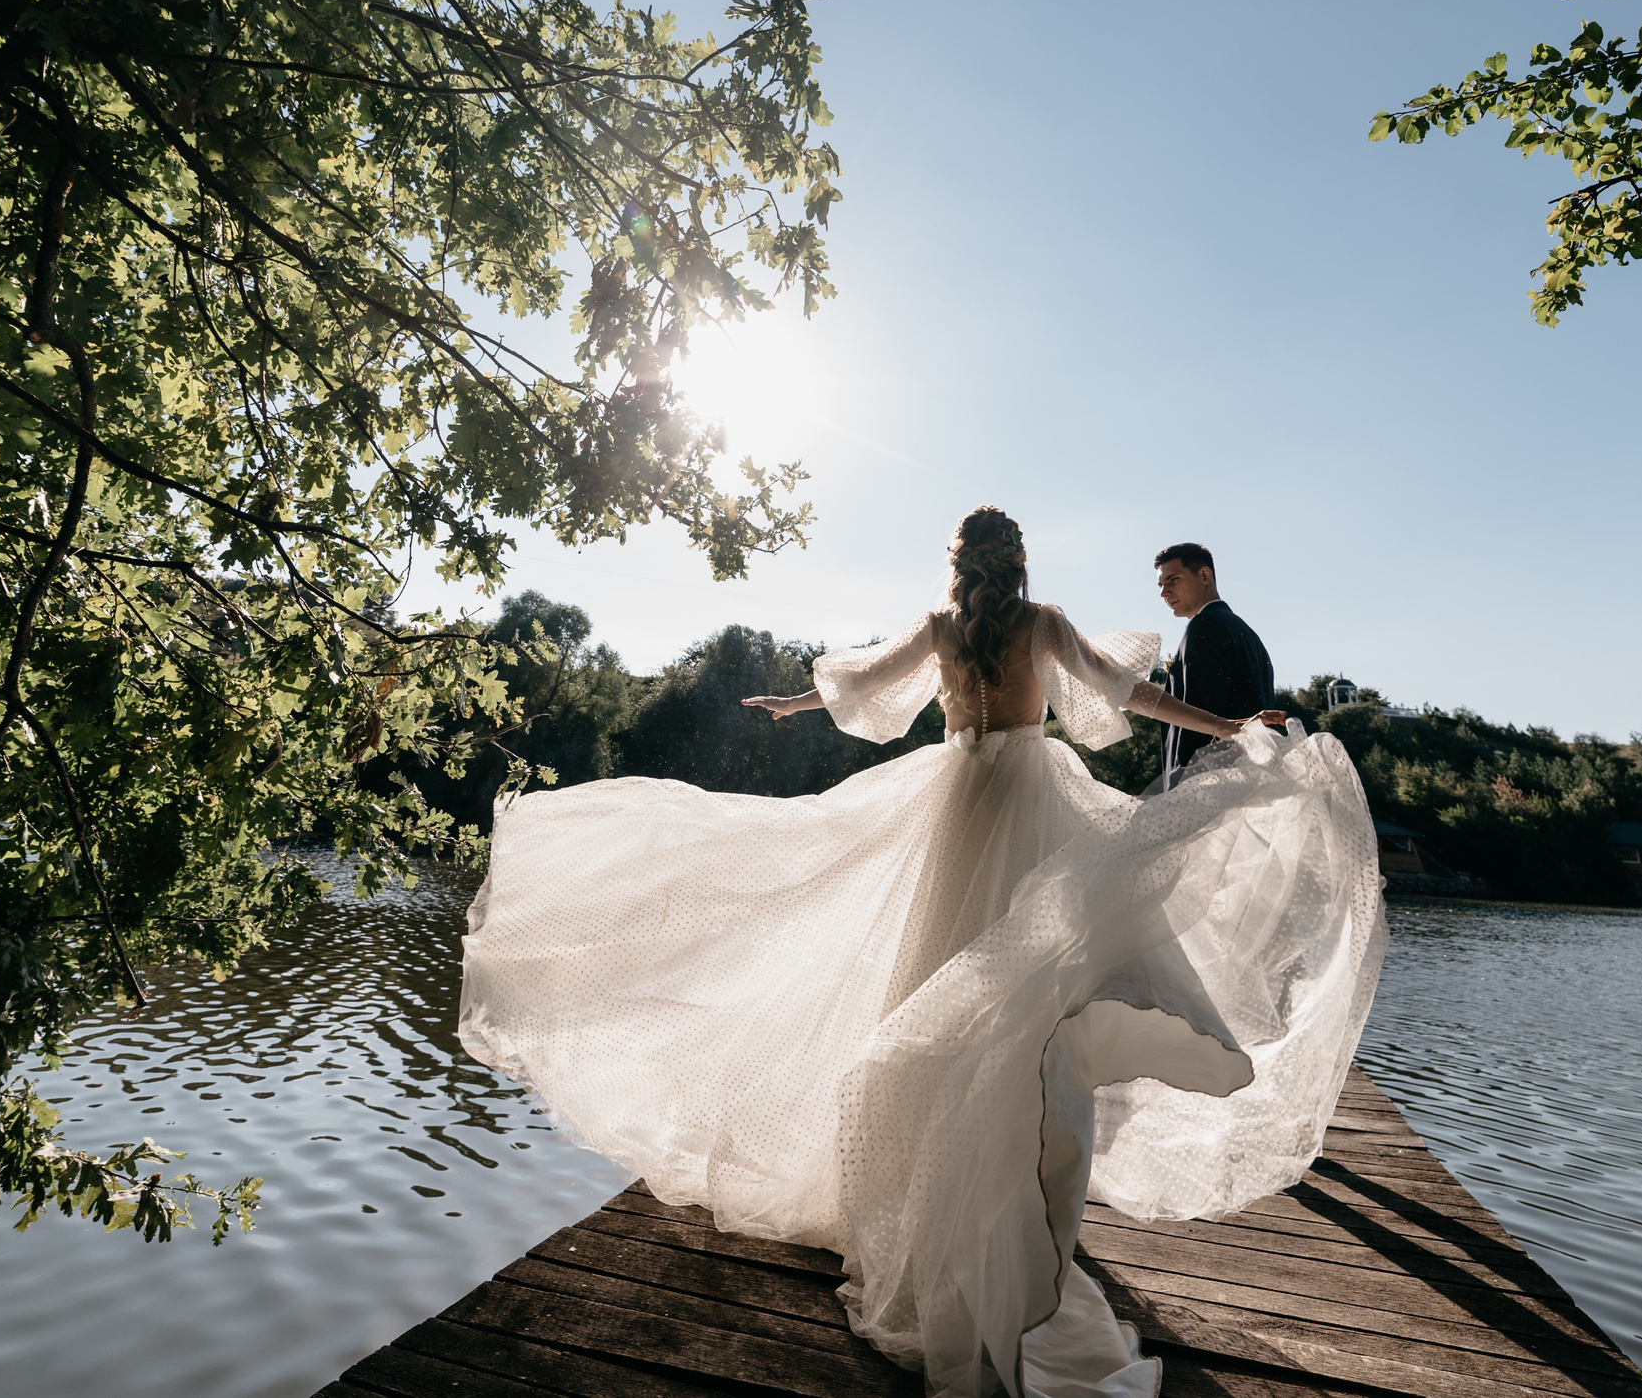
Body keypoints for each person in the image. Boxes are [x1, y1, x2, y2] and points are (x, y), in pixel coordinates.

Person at [458, 506, 1386, 1398]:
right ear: (1019, 562)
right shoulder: (1045, 622)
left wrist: (793, 700)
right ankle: (1018, 1193)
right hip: (1027, 805)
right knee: (1034, 1009)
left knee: (933, 986)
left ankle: (934, 1191)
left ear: (959, 565)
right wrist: (1229, 729)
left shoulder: (944, 628)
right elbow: (1126, 694)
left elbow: (861, 684)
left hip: (955, 809)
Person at [1150, 543, 1282, 791]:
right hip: (1250, 781)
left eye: (1173, 580)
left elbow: (1200, 713)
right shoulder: (1249, 635)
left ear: (1204, 576)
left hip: (1209, 786)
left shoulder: (1203, 626)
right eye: (1160, 585)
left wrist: (1181, 788)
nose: (1164, 593)